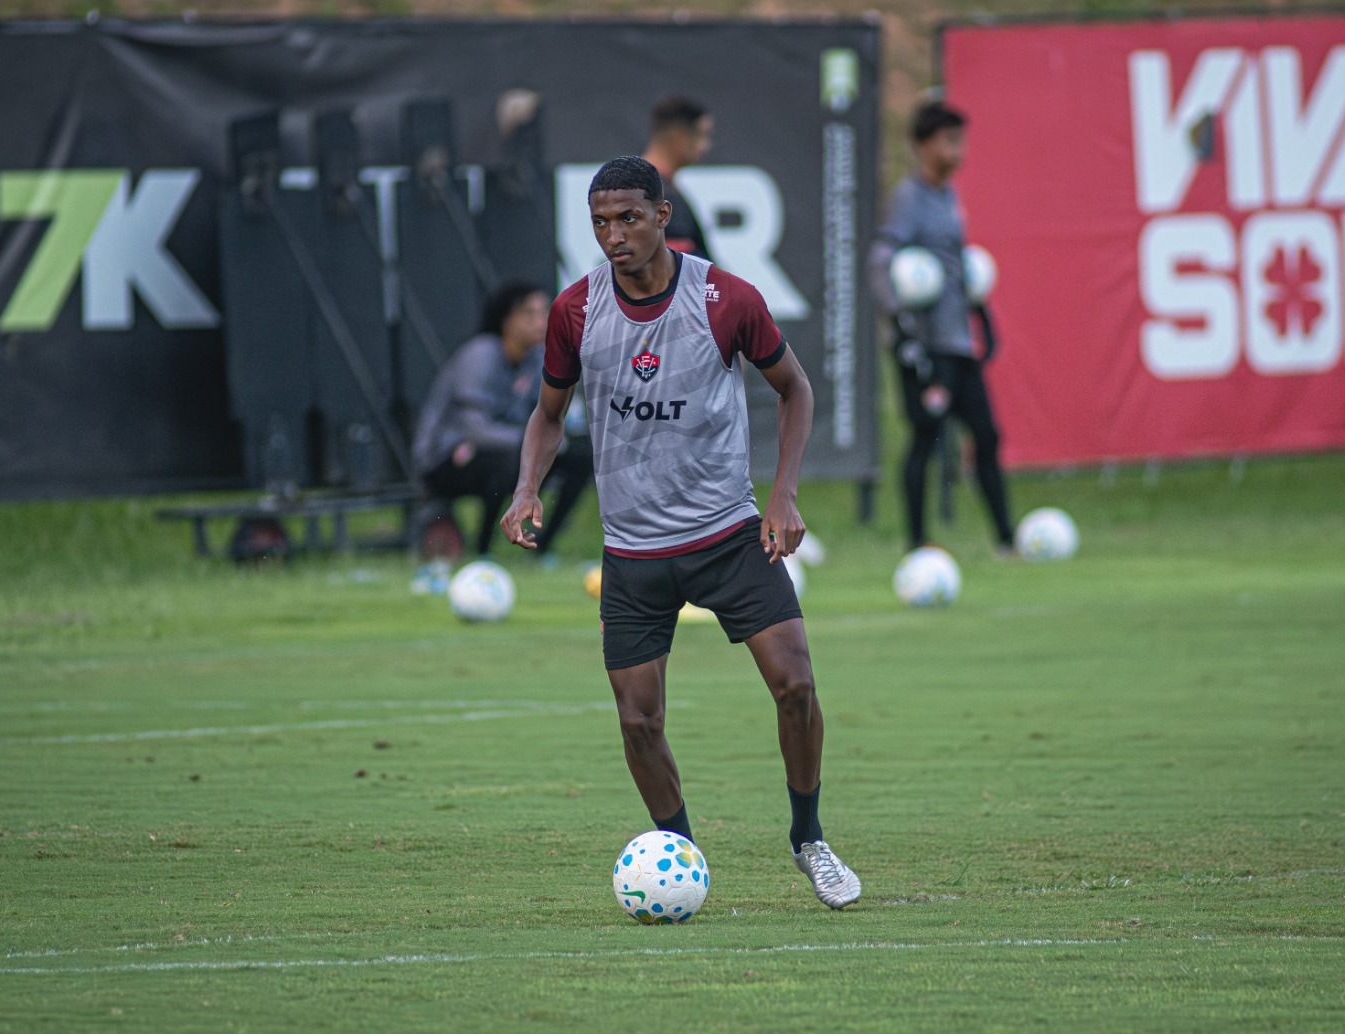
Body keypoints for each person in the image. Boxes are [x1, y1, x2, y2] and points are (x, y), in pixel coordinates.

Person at [501, 156, 860, 910]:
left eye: (629, 217)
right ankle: (680, 856)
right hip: (632, 553)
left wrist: (784, 495)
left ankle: (809, 839)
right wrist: (527, 486)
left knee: (795, 682)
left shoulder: (725, 299)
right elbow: (548, 412)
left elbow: (795, 389)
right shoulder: (575, 310)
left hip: (728, 535)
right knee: (638, 722)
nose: (613, 235)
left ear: (663, 215)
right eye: (600, 222)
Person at [870, 100, 1017, 556]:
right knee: (925, 437)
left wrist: (983, 316)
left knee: (987, 435)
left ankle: (1006, 541)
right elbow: (881, 262)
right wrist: (900, 321)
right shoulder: (909, 199)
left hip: (957, 340)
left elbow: (958, 267)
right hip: (923, 345)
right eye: (949, 139)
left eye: (961, 139)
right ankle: (917, 542)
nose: (958, 149)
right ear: (922, 145)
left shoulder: (949, 198)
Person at [412, 281, 592, 558]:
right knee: (509, 461)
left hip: (500, 448)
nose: (540, 321)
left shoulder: (535, 358)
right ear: (507, 320)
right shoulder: (481, 354)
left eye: (543, 312)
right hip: (449, 456)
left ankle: (542, 548)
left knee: (582, 455)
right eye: (530, 314)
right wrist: (527, 441)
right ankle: (482, 551)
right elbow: (475, 430)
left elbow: (546, 414)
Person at [642, 94, 713, 259]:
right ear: (679, 136)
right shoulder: (658, 196)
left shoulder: (649, 188)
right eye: (702, 135)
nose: (706, 147)